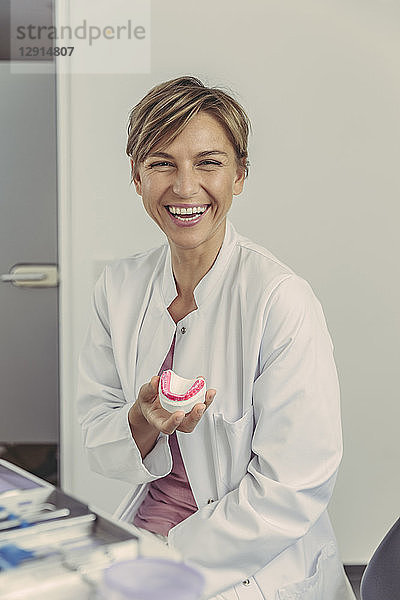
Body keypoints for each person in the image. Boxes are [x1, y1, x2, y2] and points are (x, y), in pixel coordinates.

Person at [77, 76, 356, 600]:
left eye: (209, 163)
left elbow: (293, 486)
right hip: (145, 531)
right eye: (162, 163)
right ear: (136, 177)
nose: (185, 188)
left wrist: (164, 561)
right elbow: (99, 440)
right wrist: (142, 420)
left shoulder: (280, 298)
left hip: (245, 561)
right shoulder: (117, 288)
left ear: (240, 176)